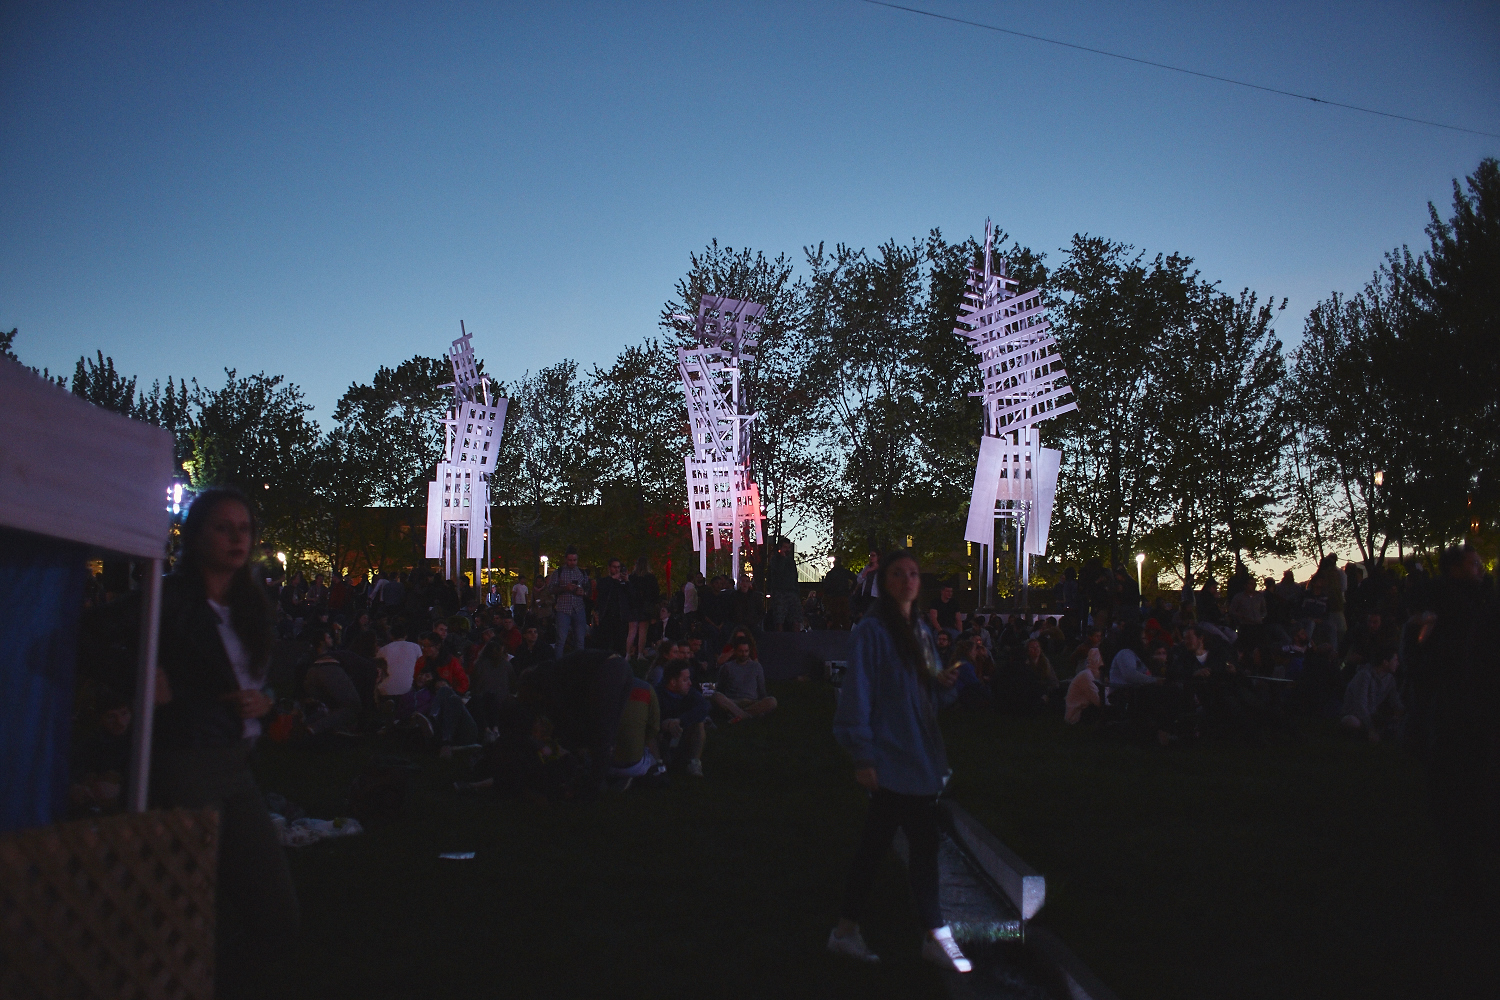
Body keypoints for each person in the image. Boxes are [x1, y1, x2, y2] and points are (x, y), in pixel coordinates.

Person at [102, 488, 298, 997]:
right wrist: (138, 675)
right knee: (183, 900)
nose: (237, 538)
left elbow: (260, 676)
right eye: (223, 527)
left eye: (244, 528)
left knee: (273, 907)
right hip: (186, 760)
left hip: (237, 763)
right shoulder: (169, 598)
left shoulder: (250, 605)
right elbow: (92, 634)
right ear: (196, 536)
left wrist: (266, 700)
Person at [828, 549, 970, 973]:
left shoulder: (920, 631)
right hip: (893, 757)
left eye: (913, 573)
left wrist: (945, 683)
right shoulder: (872, 632)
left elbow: (928, 695)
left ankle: (853, 931)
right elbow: (857, 694)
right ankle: (924, 935)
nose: (908, 579)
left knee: (890, 845)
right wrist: (863, 754)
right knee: (911, 845)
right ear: (885, 582)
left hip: (916, 755)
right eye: (898, 573)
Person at [607, 676, 663, 791]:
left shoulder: (596, 686)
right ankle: (659, 769)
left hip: (599, 761)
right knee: (651, 739)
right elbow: (654, 728)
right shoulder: (646, 689)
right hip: (632, 764)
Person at [655, 661, 711, 776]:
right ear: (673, 682)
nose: (690, 683)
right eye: (685, 680)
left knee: (699, 723)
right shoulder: (657, 695)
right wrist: (664, 724)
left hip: (683, 731)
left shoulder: (689, 693)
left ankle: (694, 762)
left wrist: (680, 720)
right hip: (661, 734)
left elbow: (704, 706)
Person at [1341, 648, 1403, 741]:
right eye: (1395, 660)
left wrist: (1401, 712)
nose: (1397, 663)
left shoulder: (1389, 679)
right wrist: (1371, 729)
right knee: (1351, 721)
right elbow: (1360, 705)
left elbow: (1395, 701)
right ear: (1385, 662)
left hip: (1371, 714)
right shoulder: (1364, 675)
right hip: (1355, 714)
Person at [711, 637, 777, 721]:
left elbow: (762, 689)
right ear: (735, 651)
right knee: (716, 696)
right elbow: (720, 688)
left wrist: (763, 701)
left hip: (751, 702)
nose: (744, 654)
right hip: (732, 702)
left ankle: (737, 715)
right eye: (741, 651)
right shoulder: (727, 667)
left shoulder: (756, 667)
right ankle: (747, 716)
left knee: (772, 701)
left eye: (746, 651)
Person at [550, 546, 590, 655]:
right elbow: (551, 589)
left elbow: (588, 589)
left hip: (578, 608)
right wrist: (565, 588)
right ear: (566, 559)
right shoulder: (559, 572)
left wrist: (583, 592)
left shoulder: (582, 573)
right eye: (570, 560)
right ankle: (559, 662)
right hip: (563, 609)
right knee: (561, 640)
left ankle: (578, 662)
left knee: (580, 640)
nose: (572, 562)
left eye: (574, 560)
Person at [626, 556, 660, 661]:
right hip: (645, 607)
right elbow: (655, 594)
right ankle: (640, 654)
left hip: (633, 607)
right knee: (643, 631)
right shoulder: (650, 578)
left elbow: (628, 592)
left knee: (632, 631)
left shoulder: (631, 577)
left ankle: (628, 654)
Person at [375, 621, 421, 697]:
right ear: (406, 635)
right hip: (408, 689)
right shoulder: (415, 647)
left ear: (391, 636)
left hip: (386, 689)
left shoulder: (383, 650)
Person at [767, 538, 803, 631]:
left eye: (788, 547)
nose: (787, 549)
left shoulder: (791, 561)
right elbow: (777, 572)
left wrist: (796, 591)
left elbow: (794, 576)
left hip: (792, 592)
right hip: (780, 592)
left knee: (796, 617)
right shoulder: (775, 559)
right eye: (785, 547)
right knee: (779, 617)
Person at [1066, 648, 1104, 724]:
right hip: (1076, 715)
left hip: (1084, 709)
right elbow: (1099, 701)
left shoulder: (1092, 675)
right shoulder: (1086, 676)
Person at [822, 556, 856, 630]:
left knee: (835, 617)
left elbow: (826, 586)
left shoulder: (831, 574)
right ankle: (845, 633)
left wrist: (828, 594)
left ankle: (837, 632)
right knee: (845, 617)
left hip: (834, 597)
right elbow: (855, 578)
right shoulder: (845, 572)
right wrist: (851, 590)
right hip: (843, 596)